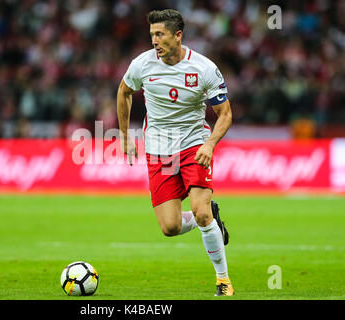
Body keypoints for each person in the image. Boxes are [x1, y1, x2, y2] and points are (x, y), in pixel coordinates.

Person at [116, 9, 234, 296]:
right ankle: (208, 217)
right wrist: (124, 135)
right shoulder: (142, 65)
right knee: (169, 227)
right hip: (158, 149)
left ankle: (223, 280)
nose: (154, 40)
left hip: (194, 144)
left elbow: (226, 113)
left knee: (200, 211)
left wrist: (209, 144)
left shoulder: (203, 68)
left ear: (177, 35)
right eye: (152, 35)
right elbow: (123, 92)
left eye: (160, 34)